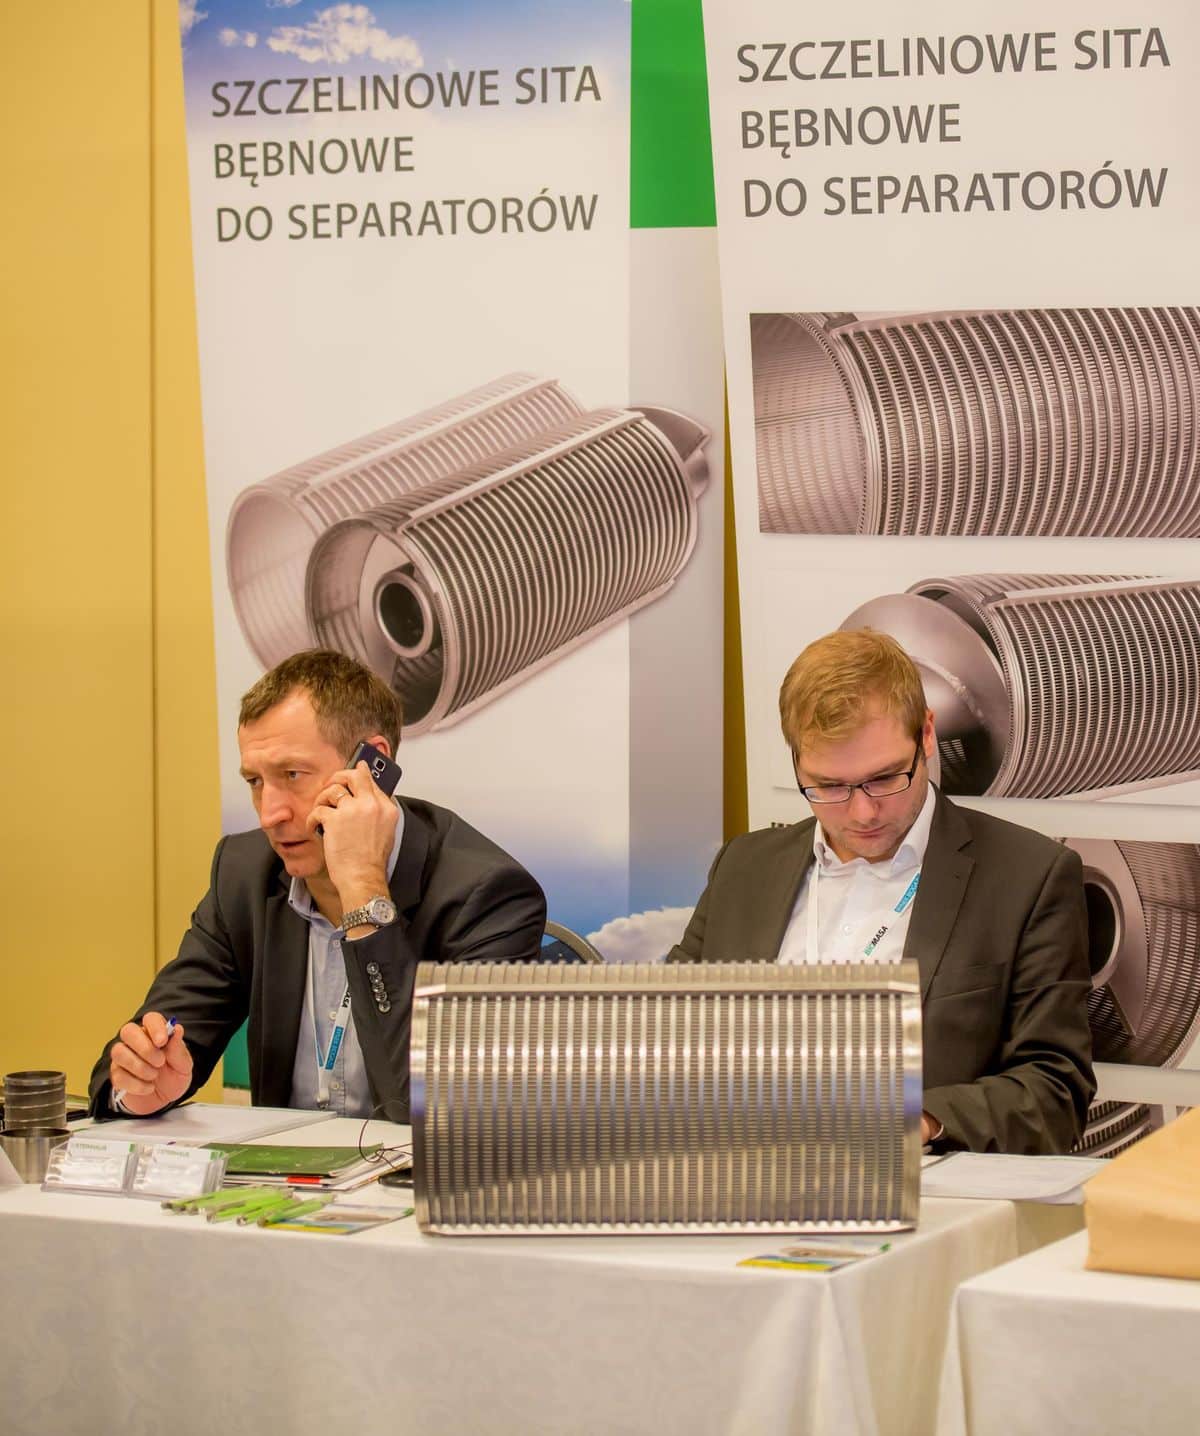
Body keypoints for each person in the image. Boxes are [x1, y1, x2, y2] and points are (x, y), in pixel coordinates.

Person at [671, 629, 1095, 1154]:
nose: (863, 812)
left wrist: (920, 1120)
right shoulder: (745, 867)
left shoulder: (1028, 877)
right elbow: (666, 1034)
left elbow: (1055, 1093)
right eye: (829, 786)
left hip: (913, 1185)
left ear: (927, 735)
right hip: (737, 1172)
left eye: (885, 778)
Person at [90, 649, 546, 1122]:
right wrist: (139, 1087)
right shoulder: (244, 873)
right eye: (255, 781)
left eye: (292, 775)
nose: (270, 814)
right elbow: (151, 1043)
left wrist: (364, 892)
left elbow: (446, 1110)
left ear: (371, 765)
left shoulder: (487, 894)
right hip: (284, 1167)